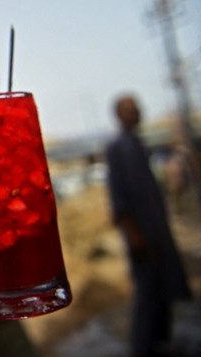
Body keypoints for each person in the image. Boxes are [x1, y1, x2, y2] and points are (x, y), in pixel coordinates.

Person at [105, 94, 192, 357]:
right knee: (148, 289)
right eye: (130, 109)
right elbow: (119, 197)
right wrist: (134, 234)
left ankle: (160, 341)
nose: (137, 113)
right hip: (141, 233)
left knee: (162, 285)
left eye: (137, 108)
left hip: (155, 229)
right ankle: (143, 347)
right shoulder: (117, 147)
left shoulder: (137, 143)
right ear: (119, 114)